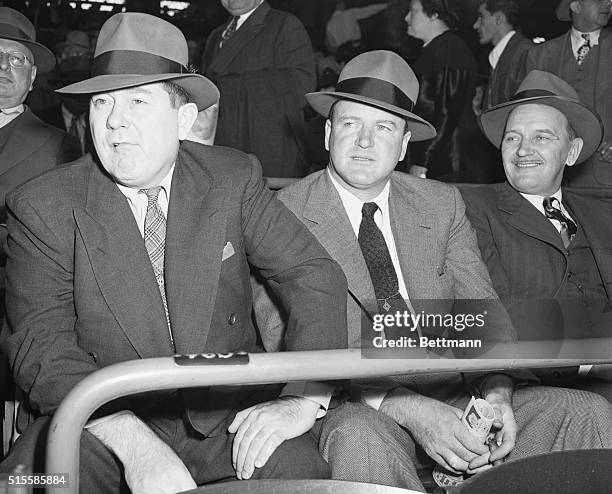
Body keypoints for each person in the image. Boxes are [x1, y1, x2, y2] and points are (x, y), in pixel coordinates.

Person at [0, 12, 348, 494]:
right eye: (102, 102)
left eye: (138, 100)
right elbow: (39, 343)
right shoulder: (44, 205)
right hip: (99, 420)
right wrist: (137, 448)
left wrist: (302, 399)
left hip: (225, 420)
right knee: (26, 481)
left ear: (184, 119)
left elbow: (314, 274)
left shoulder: (231, 178)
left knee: (303, 476)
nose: (115, 121)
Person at [253, 50, 612, 492]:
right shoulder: (282, 213)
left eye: (383, 127)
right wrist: (409, 408)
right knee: (360, 442)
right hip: (363, 405)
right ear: (328, 134)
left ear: (405, 145)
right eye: (350, 124)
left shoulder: (439, 204)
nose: (365, 142)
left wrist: (495, 398)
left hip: (455, 392)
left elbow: (485, 320)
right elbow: (290, 347)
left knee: (585, 413)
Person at [462, 70, 612, 400]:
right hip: (534, 386)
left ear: (571, 152)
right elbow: (492, 313)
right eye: (513, 138)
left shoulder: (603, 214)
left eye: (541, 137)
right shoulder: (472, 210)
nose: (523, 150)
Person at [0, 7, 81, 266]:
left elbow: (57, 239)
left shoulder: (59, 145)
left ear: (32, 77)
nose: (3, 66)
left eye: (17, 59)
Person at [201, 0, 316, 178]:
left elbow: (302, 84)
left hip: (268, 149)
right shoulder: (215, 36)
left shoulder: (284, 25)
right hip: (223, 148)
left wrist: (230, 86)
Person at [524, 0, 612, 188]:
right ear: (576, 6)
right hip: (555, 177)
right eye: (600, 0)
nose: (608, 4)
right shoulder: (540, 55)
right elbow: (528, 115)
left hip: (606, 176)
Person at [404, 0, 477, 181]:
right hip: (440, 158)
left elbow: (448, 112)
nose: (406, 18)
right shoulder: (437, 49)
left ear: (434, 15)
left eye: (413, 11)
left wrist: (423, 161)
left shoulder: (449, 49)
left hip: (447, 162)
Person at [473, 0, 533, 112]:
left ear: (498, 19)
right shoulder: (501, 54)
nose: (475, 25)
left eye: (481, 17)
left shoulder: (525, 53)